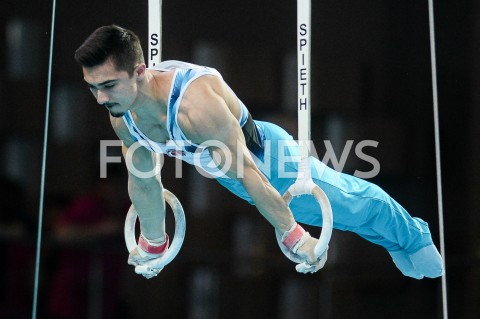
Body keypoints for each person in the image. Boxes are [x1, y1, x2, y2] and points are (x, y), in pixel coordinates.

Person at [74, 25, 444, 280]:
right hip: (227, 173)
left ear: (139, 71)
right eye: (93, 88)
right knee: (344, 217)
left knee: (349, 204)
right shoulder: (122, 116)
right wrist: (153, 243)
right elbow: (144, 184)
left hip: (265, 155)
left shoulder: (194, 105)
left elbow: (249, 173)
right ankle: (398, 242)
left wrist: (293, 237)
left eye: (108, 85)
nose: (101, 98)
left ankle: (414, 237)